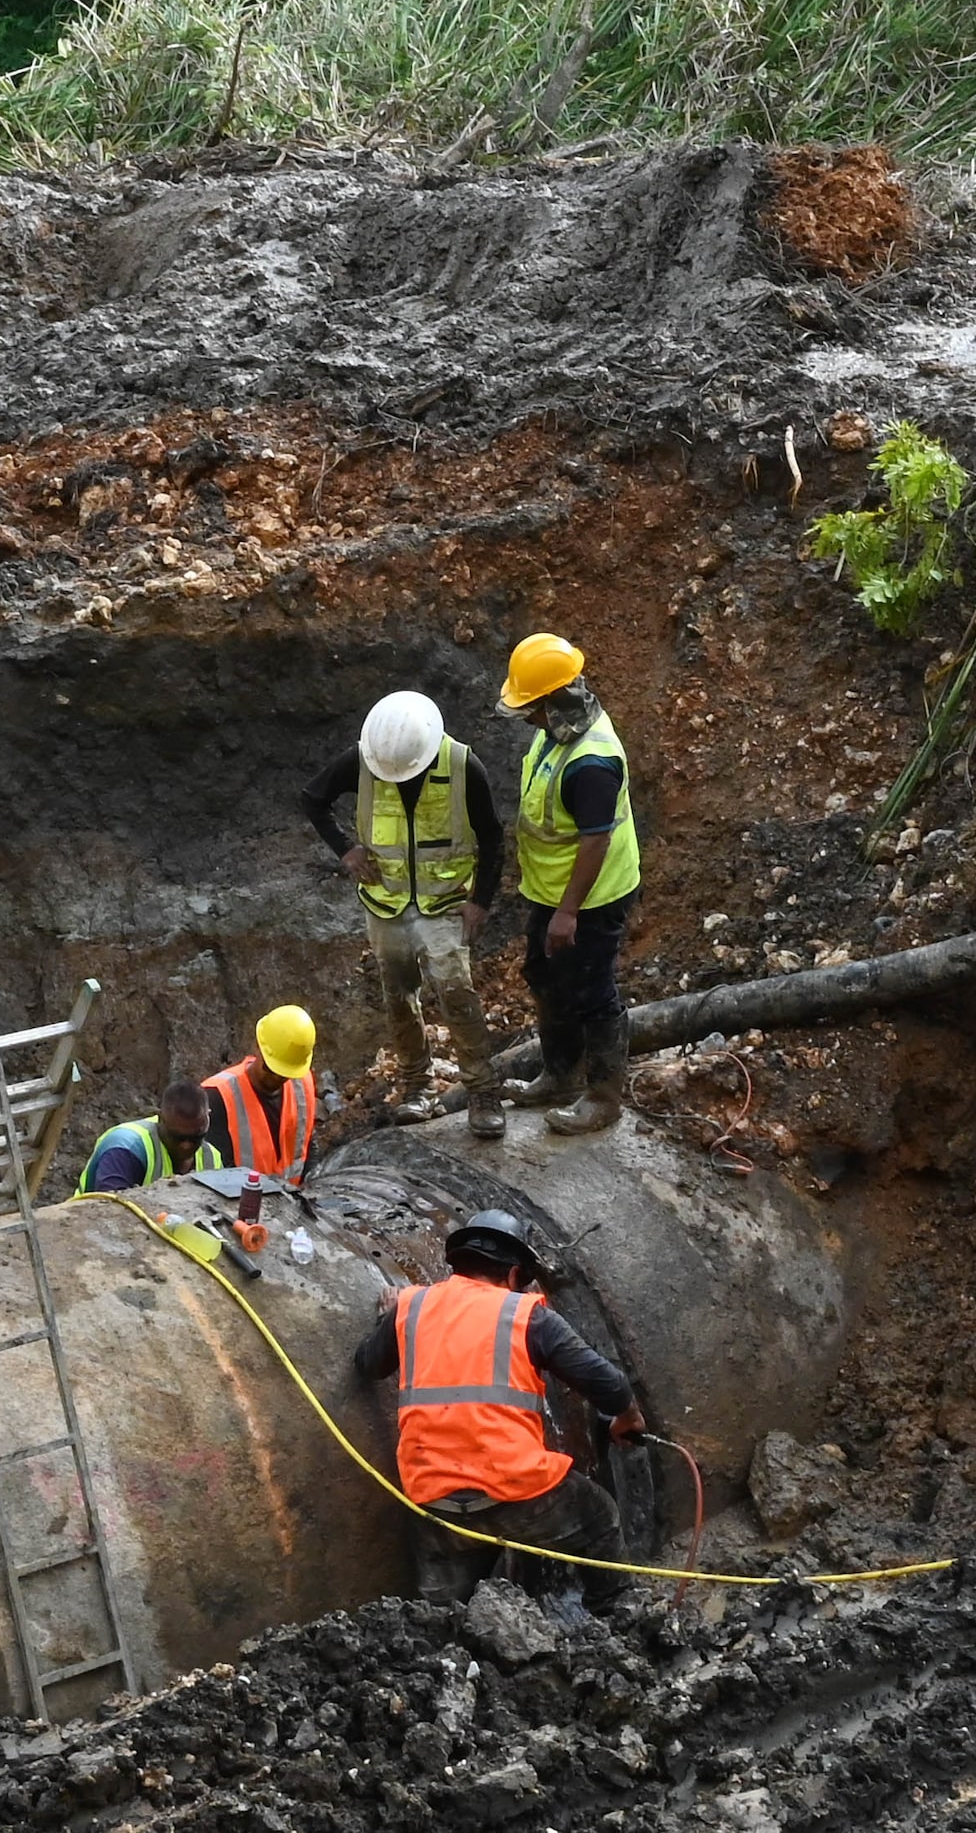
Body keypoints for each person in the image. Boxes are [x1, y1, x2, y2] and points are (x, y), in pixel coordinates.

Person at [349, 1207, 642, 1609]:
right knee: (598, 1519)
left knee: (441, 1615)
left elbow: (367, 1363)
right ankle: (617, 1618)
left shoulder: (411, 1307)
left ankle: (446, 1651)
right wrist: (627, 1418)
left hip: (434, 1499)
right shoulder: (527, 1316)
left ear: (459, 1265)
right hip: (517, 1491)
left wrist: (387, 1319)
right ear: (513, 1275)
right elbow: (608, 1383)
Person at [293, 690, 514, 1137]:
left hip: (445, 901)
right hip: (387, 901)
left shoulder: (462, 766)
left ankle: (483, 1091)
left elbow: (492, 835)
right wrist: (346, 850)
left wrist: (481, 902)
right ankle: (417, 1086)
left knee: (457, 993)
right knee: (399, 998)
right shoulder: (363, 759)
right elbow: (312, 798)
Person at [497, 633, 641, 1135]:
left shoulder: (591, 761)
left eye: (531, 705)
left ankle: (603, 1097)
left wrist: (568, 913)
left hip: (592, 897)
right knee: (544, 975)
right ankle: (558, 1075)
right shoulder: (560, 729)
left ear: (552, 698)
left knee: (591, 990)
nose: (528, 716)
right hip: (552, 890)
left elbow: (595, 842)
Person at [204, 1006, 321, 1180]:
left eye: (285, 1074)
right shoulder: (217, 1096)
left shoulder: (303, 1084)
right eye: (270, 1068)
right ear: (257, 1046)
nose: (276, 1078)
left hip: (293, 1202)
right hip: (240, 1203)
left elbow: (306, 1146)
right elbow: (215, 1174)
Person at [73, 1080, 231, 1198]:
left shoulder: (212, 1159)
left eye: (196, 1136)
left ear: (208, 1120)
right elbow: (109, 1211)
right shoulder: (125, 1149)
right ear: (160, 1118)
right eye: (177, 1137)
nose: (186, 1145)